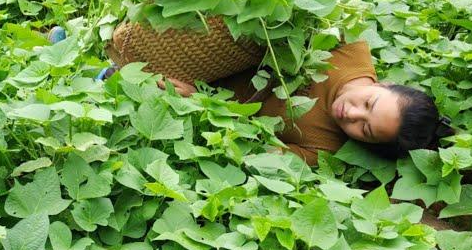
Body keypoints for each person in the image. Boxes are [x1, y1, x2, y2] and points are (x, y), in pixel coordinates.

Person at [156, 40, 454, 166]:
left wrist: (200, 102)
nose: (350, 113)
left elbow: (253, 144)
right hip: (210, 48)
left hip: (196, 90)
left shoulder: (324, 148)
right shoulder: (349, 49)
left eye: (365, 129)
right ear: (386, 84)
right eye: (369, 103)